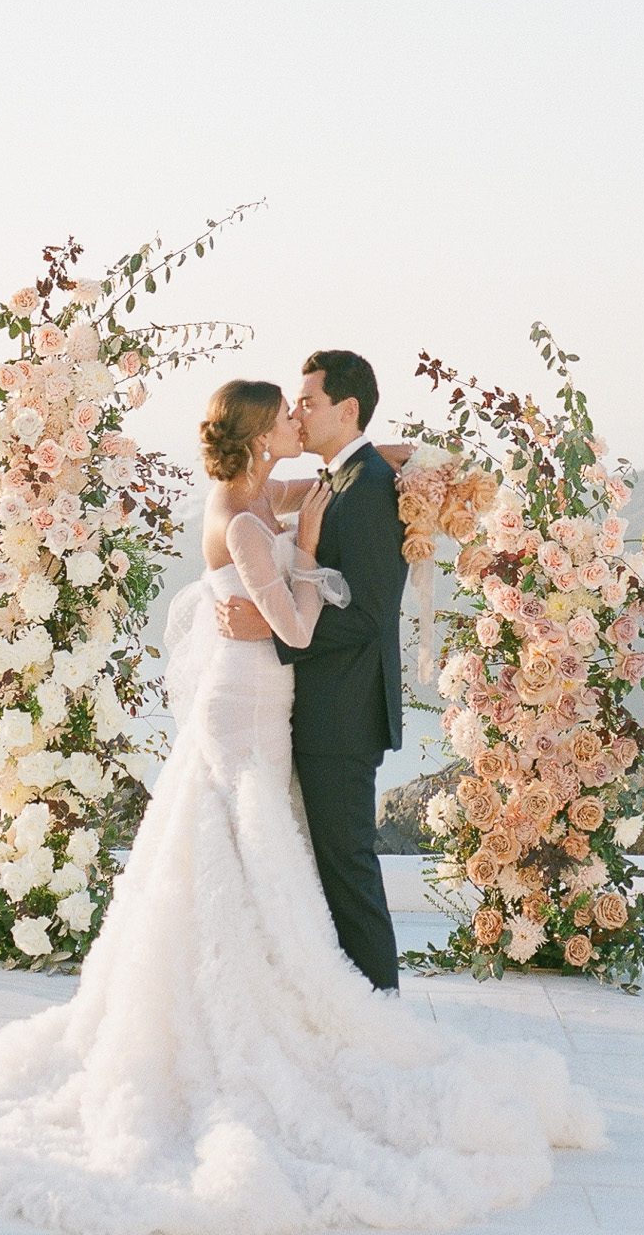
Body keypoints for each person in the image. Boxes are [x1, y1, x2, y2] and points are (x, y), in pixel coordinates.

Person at [0, 377, 605, 1233]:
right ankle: (269, 1020)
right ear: (256, 431)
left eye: (303, 406)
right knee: (247, 842)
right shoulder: (243, 515)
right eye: (283, 414)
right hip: (251, 699)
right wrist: (307, 551)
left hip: (253, 696)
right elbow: (300, 625)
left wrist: (392, 466)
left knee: (246, 847)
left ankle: (294, 1001)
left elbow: (329, 478)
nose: (293, 420)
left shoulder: (252, 489)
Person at [215, 348, 408, 991]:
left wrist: (272, 630)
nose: (299, 412)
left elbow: (371, 615)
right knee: (320, 866)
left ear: (347, 410)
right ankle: (342, 998)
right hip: (310, 706)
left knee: (346, 866)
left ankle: (380, 1004)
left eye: (310, 401)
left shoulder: (370, 489)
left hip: (343, 711)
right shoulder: (342, 479)